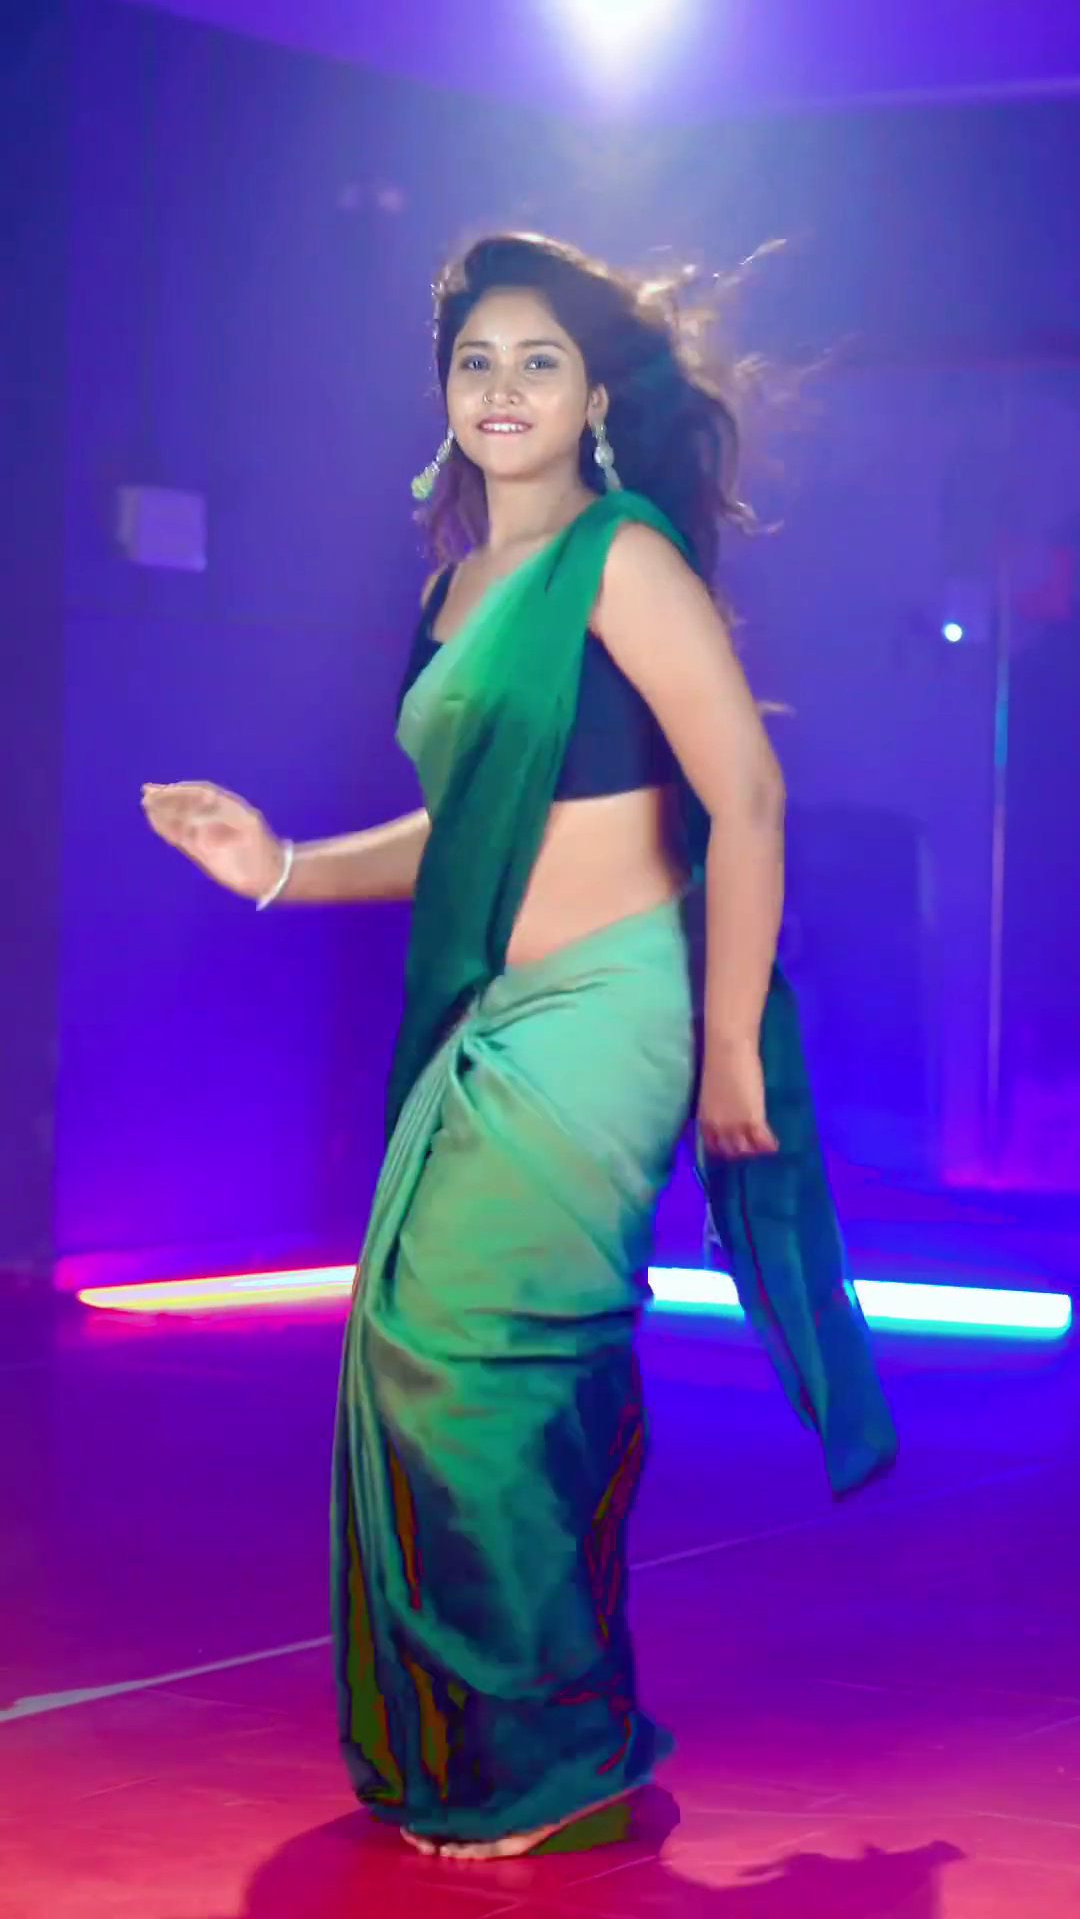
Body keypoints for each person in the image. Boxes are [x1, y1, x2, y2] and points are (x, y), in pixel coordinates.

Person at [142, 234, 895, 1862]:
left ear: (594, 397)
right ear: (444, 395)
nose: (502, 389)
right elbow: (462, 827)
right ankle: (520, 1743)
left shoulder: (622, 559)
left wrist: (730, 1045)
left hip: (617, 1011)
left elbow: (747, 796)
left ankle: (559, 1762)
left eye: (538, 360)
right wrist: (279, 864)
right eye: (476, 361)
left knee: (476, 1362)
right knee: (414, 1357)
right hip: (493, 1014)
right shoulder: (454, 591)